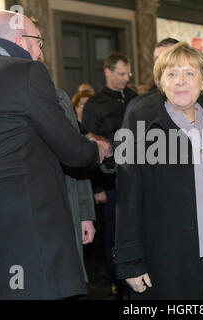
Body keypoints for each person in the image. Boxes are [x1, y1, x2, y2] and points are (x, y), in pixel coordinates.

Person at [113, 42, 203, 300]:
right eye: (171, 74)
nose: (181, 81)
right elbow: (128, 200)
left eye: (189, 73)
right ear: (160, 81)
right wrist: (130, 261)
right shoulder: (142, 125)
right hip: (171, 261)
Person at [0, 10, 112, 299]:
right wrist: (97, 149)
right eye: (39, 43)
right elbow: (72, 150)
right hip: (31, 241)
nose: (41, 54)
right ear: (20, 39)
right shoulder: (26, 72)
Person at [81, 51, 138, 297]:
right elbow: (89, 149)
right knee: (115, 234)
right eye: (121, 74)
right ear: (108, 72)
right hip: (111, 181)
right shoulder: (95, 104)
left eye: (128, 73)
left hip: (138, 177)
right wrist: (96, 187)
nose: (126, 78)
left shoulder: (136, 99)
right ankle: (118, 280)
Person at [57, 89, 97, 284]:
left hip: (67, 203)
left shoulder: (59, 98)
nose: (40, 55)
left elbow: (77, 159)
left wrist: (85, 214)